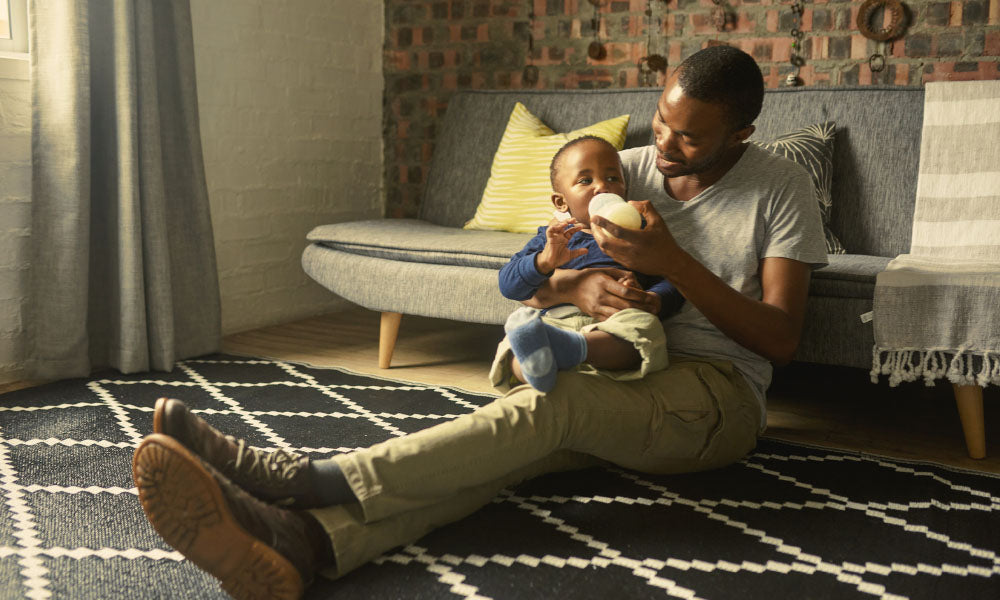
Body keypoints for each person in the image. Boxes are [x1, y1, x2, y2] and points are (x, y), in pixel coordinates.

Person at [131, 45, 827, 600]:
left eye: (690, 138)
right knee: (503, 447)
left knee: (552, 405)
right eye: (662, 122)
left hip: (712, 395)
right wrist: (571, 283)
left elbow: (781, 340)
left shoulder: (780, 189)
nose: (665, 146)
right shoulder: (623, 169)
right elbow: (535, 275)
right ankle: (305, 545)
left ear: (740, 133)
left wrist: (672, 261)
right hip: (608, 368)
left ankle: (306, 478)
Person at [494, 135, 684, 393]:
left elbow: (672, 279)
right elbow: (508, 284)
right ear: (561, 202)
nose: (603, 187)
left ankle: (568, 351)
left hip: (613, 324)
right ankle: (536, 368)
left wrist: (654, 298)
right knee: (518, 342)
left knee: (646, 330)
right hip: (556, 322)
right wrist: (544, 261)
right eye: (586, 181)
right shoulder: (552, 238)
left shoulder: (639, 235)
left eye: (613, 178)